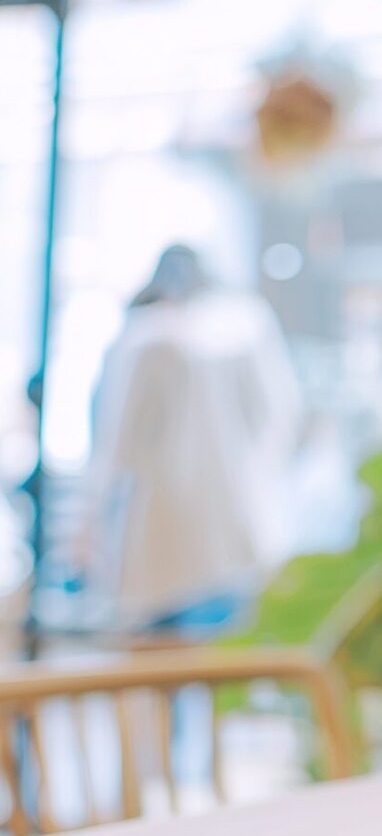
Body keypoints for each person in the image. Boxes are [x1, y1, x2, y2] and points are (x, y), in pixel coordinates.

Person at [81, 245, 301, 633]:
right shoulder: (246, 328)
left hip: (167, 532)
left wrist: (91, 522)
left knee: (160, 670)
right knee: (223, 666)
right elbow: (283, 419)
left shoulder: (147, 337)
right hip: (236, 531)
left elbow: (116, 446)